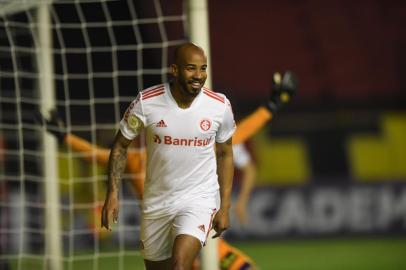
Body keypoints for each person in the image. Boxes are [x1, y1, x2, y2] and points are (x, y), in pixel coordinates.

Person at [37, 53, 297, 270]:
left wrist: (271, 105)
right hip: (164, 231)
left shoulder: (197, 135)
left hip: (198, 226)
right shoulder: (138, 160)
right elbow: (102, 156)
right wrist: (65, 137)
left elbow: (239, 134)